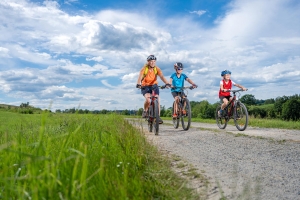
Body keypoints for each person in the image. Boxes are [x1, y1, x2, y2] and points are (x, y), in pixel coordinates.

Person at [136, 55, 170, 124]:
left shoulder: (157, 69)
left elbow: (162, 77)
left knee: (157, 99)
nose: (152, 63)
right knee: (148, 100)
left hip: (154, 86)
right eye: (151, 61)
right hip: (145, 86)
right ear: (148, 62)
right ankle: (145, 111)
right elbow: (140, 77)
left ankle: (158, 117)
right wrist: (138, 84)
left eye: (154, 61)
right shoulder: (144, 69)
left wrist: (167, 83)